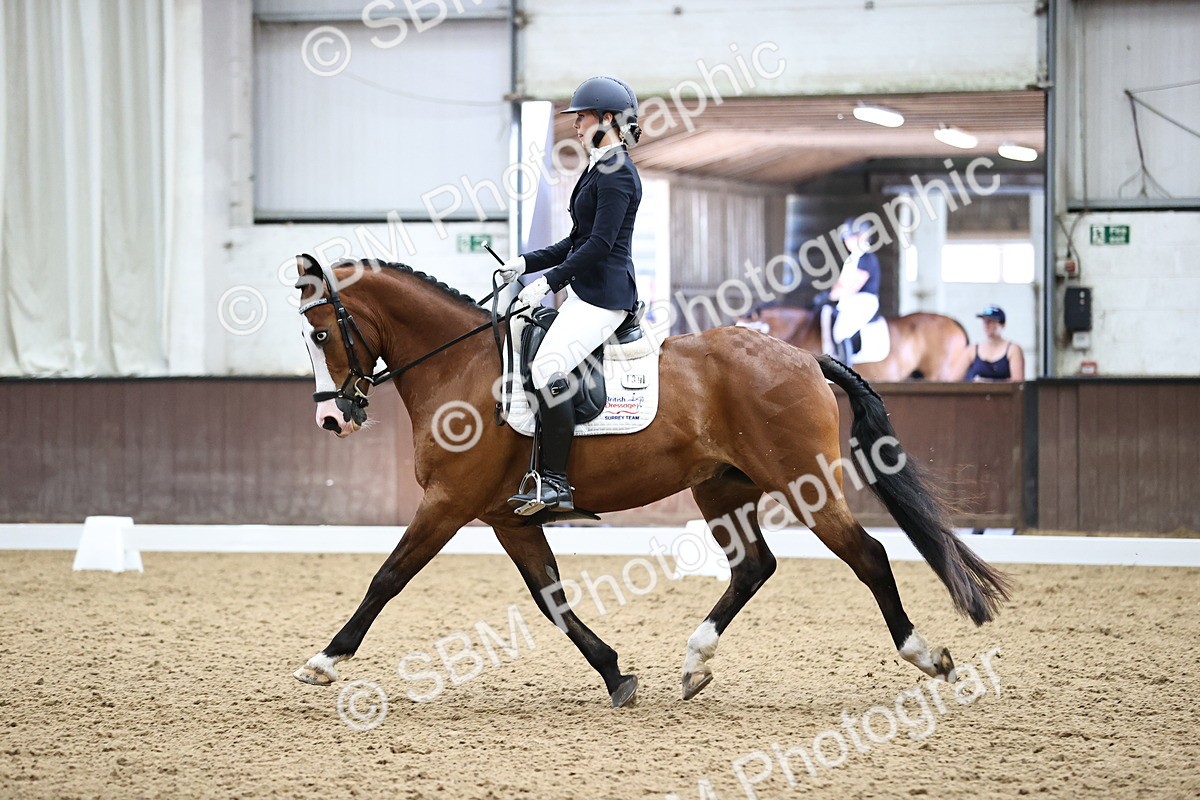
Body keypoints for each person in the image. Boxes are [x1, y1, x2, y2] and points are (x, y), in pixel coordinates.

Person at [496, 76, 643, 515]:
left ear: (607, 119)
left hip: (605, 297)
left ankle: (556, 482)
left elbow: (599, 246)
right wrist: (525, 264)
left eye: (581, 117)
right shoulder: (599, 167)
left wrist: (549, 283)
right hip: (585, 292)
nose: (576, 126)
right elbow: (576, 241)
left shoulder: (617, 173)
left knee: (547, 367)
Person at [822, 217, 882, 365]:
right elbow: (840, 284)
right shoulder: (852, 259)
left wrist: (835, 294)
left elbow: (853, 286)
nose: (846, 241)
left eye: (850, 237)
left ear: (862, 236)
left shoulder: (867, 258)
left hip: (863, 301)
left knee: (840, 332)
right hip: (849, 301)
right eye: (846, 238)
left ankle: (846, 369)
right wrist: (830, 295)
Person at [961, 305, 1025, 383]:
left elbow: (1018, 384)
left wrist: (989, 382)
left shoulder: (1013, 350)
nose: (986, 325)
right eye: (984, 321)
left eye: (991, 321)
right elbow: (954, 379)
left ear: (1002, 324)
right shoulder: (971, 350)